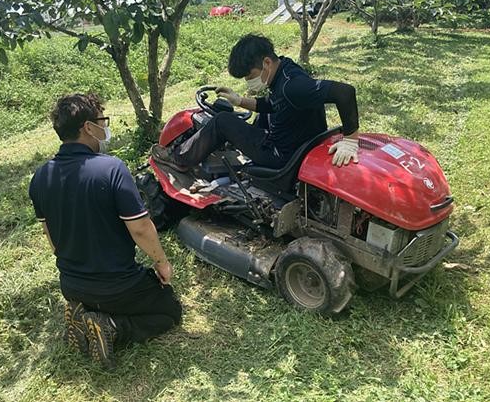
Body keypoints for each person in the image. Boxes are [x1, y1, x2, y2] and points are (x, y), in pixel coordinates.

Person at [28, 93, 182, 369]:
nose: (105, 128)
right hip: (118, 285)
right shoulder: (111, 168)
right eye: (102, 121)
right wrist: (161, 262)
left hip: (71, 285)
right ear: (88, 127)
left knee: (101, 296)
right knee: (170, 311)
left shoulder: (40, 177)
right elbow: (140, 228)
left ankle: (84, 311)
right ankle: (111, 327)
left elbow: (52, 241)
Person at [152, 34, 360, 172]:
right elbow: (275, 104)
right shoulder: (285, 70)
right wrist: (239, 101)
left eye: (249, 75)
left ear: (266, 62)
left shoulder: (292, 86)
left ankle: (179, 159)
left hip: (281, 156)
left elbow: (345, 92)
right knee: (261, 116)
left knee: (222, 121)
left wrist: (351, 140)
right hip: (301, 141)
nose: (248, 81)